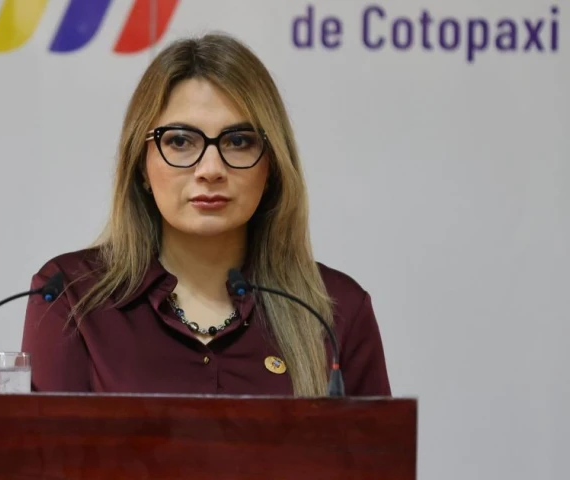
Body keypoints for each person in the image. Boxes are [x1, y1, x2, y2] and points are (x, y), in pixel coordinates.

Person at [21, 32, 390, 397]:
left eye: (239, 141)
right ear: (141, 167)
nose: (210, 169)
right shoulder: (70, 297)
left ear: (273, 166)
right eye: (180, 141)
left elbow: (373, 457)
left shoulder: (337, 310)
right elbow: (45, 456)